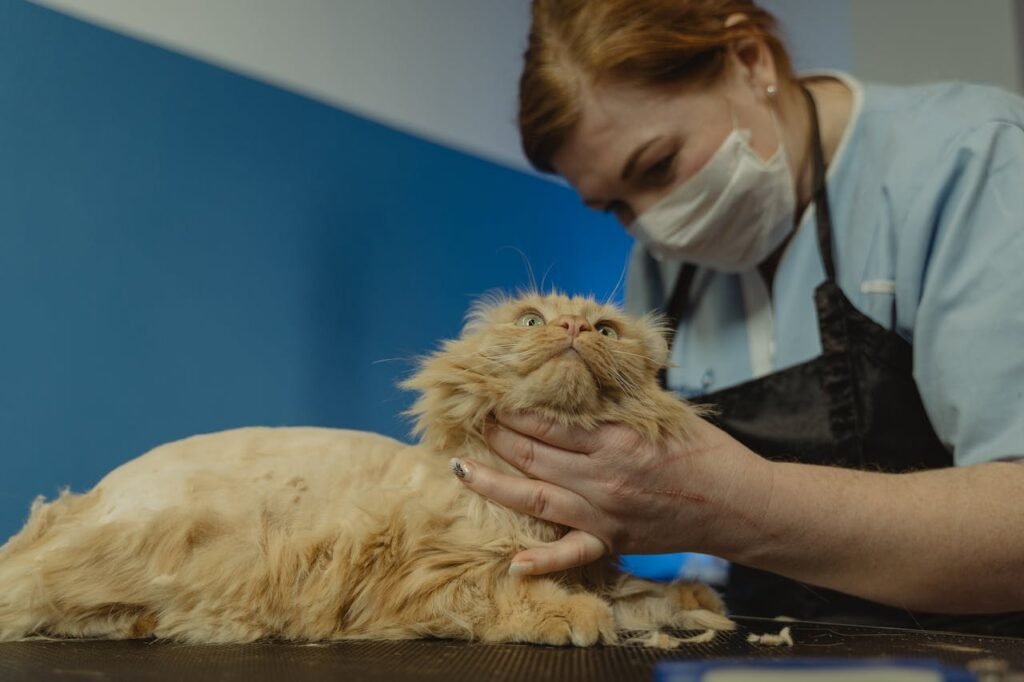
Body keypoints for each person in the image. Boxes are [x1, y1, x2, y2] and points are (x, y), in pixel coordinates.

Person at [449, 0, 1024, 636]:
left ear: (750, 60)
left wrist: (742, 506)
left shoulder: (974, 162)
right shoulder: (666, 268)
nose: (655, 227)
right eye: (615, 206)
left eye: (659, 167)